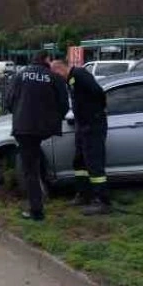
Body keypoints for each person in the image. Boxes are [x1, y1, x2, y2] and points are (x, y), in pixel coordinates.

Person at [6, 51, 69, 221]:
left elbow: (9, 101)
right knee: (35, 161)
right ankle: (40, 198)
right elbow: (64, 104)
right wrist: (53, 121)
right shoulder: (54, 78)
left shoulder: (20, 76)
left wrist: (19, 114)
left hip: (24, 128)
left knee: (30, 171)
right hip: (43, 129)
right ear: (46, 60)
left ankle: (36, 211)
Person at [50, 59, 111, 216]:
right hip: (82, 126)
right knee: (80, 161)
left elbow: (99, 93)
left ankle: (102, 201)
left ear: (59, 70)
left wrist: (95, 114)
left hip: (92, 125)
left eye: (55, 75)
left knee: (94, 162)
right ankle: (83, 194)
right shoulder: (71, 79)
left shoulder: (79, 75)